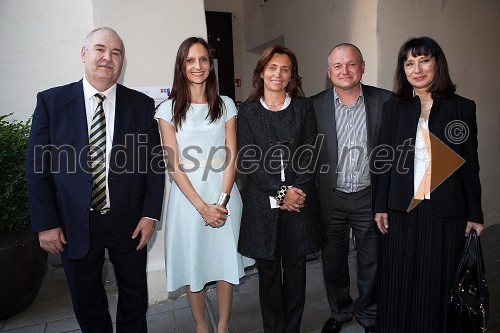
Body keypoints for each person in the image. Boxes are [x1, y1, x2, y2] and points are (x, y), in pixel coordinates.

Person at [25, 27, 165, 333]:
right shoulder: (52, 102)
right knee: (87, 303)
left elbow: (155, 165)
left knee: (134, 298)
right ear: (84, 53)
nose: (108, 58)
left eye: (116, 53)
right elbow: (37, 169)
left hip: (128, 222)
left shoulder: (139, 105)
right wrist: (46, 223)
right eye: (100, 49)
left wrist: (150, 213)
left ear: (122, 62)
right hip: (73, 223)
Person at [374, 36, 484, 333]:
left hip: (447, 212)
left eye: (424, 60)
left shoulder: (462, 108)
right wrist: (380, 206)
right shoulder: (393, 108)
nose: (417, 69)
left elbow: (469, 164)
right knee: (399, 279)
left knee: (437, 281)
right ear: (403, 70)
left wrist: (476, 214)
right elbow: (385, 161)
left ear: (437, 64)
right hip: (401, 210)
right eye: (409, 63)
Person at [155, 37, 254, 333]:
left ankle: (223, 325)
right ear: (181, 66)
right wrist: (201, 207)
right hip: (188, 202)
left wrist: (221, 202)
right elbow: (173, 165)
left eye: (202, 60)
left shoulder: (224, 105)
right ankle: (201, 326)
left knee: (225, 262)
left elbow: (231, 154)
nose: (197, 66)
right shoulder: (167, 109)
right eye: (190, 60)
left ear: (210, 66)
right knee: (193, 264)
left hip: (223, 195)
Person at [237, 45, 327, 333]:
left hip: (299, 203)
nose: (278, 73)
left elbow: (311, 152)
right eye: (272, 67)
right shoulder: (248, 111)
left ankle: (292, 329)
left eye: (285, 69)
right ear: (261, 72)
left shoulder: (303, 107)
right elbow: (248, 159)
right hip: (263, 204)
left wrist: (296, 190)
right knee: (269, 272)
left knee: (297, 269)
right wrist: (280, 192)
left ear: (292, 76)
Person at [311, 43, 391, 333]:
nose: (344, 71)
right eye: (337, 65)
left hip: (369, 199)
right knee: (333, 264)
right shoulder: (313, 105)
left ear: (362, 67)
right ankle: (341, 312)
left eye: (351, 64)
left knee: (372, 263)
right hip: (329, 200)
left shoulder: (386, 101)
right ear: (329, 71)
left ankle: (369, 315)